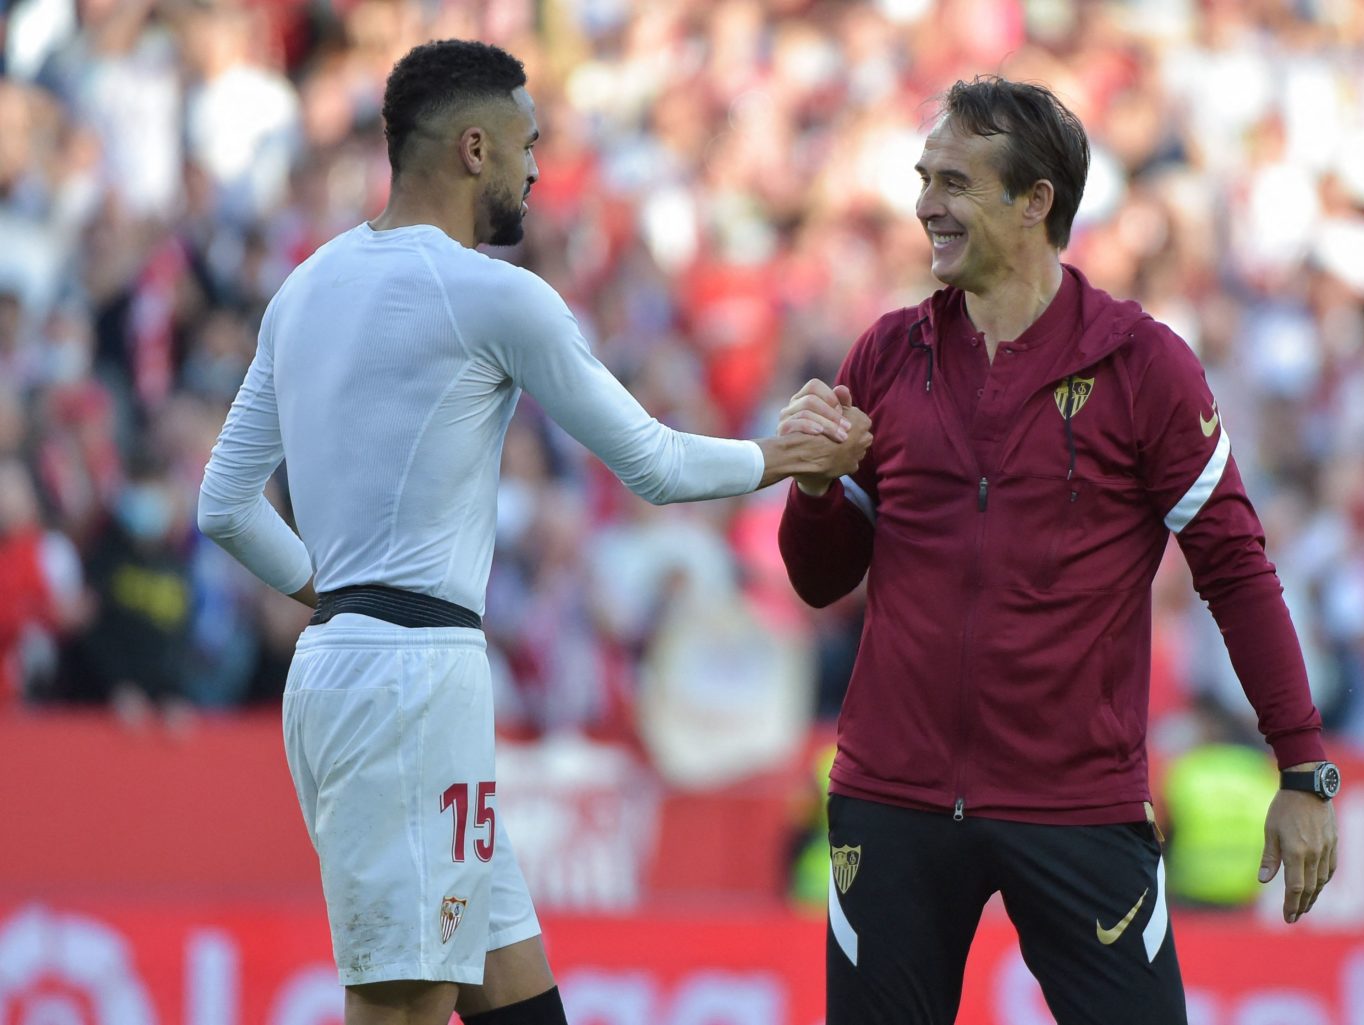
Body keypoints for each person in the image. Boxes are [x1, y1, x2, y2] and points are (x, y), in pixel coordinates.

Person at [198, 39, 870, 1025]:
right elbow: (654, 462)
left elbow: (224, 502)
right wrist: (796, 456)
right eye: (526, 142)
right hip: (412, 683)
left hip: (349, 666)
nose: (537, 167)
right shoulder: (493, 295)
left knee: (517, 998)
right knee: (404, 1003)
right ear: (475, 148)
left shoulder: (307, 285)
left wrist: (335, 593)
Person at [776, 76, 1338, 1025]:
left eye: (953, 182)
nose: (925, 205)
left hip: (1077, 803)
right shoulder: (883, 355)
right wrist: (816, 486)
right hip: (893, 798)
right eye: (924, 179)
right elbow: (818, 574)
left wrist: (1302, 767)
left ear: (1035, 200)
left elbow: (1236, 569)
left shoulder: (1145, 365)